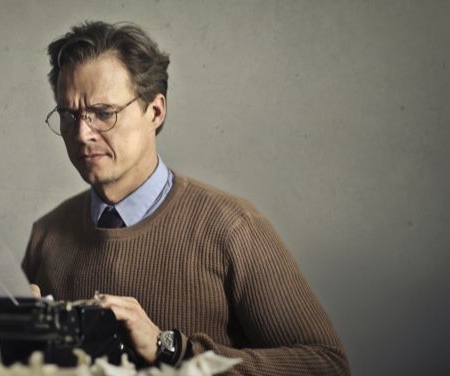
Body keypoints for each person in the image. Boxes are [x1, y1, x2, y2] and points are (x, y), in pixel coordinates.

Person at [22, 21, 350, 375]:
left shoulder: (233, 227)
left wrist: (172, 349)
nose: (82, 133)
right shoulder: (47, 235)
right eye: (70, 115)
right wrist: (13, 343)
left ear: (155, 111)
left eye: (103, 113)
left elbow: (327, 365)